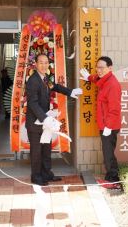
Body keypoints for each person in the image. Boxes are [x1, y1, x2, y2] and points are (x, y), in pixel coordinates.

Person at [26, 54, 82, 186]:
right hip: (36, 123)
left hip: (45, 122)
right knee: (36, 151)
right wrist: (45, 118)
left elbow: (55, 86)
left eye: (46, 63)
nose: (44, 65)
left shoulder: (45, 78)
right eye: (41, 62)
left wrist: (70, 92)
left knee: (46, 149)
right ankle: (36, 176)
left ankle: (47, 173)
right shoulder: (33, 81)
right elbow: (32, 103)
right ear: (35, 64)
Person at [80, 56, 122, 188]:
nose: (99, 70)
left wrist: (108, 126)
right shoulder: (105, 80)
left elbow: (114, 109)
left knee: (108, 153)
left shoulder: (112, 84)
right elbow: (97, 79)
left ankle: (113, 180)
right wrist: (88, 78)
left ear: (110, 68)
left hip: (109, 126)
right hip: (105, 125)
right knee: (107, 151)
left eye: (101, 67)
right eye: (97, 67)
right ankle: (111, 177)